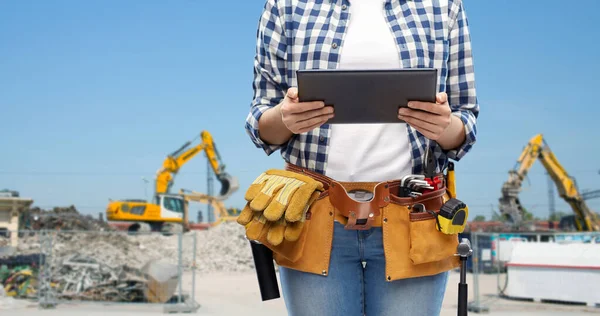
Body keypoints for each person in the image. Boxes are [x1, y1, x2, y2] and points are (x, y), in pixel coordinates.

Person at [243, 0, 479, 315]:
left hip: (413, 216)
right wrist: (284, 119)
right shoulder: (286, 5)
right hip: (313, 217)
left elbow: (465, 121)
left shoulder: (443, 6)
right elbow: (262, 122)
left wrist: (443, 126)